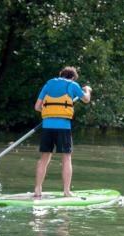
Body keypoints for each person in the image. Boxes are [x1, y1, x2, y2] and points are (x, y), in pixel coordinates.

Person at [33, 66, 91, 198]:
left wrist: (50, 112)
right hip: (63, 127)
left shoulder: (49, 83)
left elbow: (37, 107)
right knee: (66, 158)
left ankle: (37, 190)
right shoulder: (73, 84)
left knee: (44, 159)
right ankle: (66, 191)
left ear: (61, 75)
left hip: (47, 126)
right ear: (72, 77)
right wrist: (87, 89)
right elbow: (86, 99)